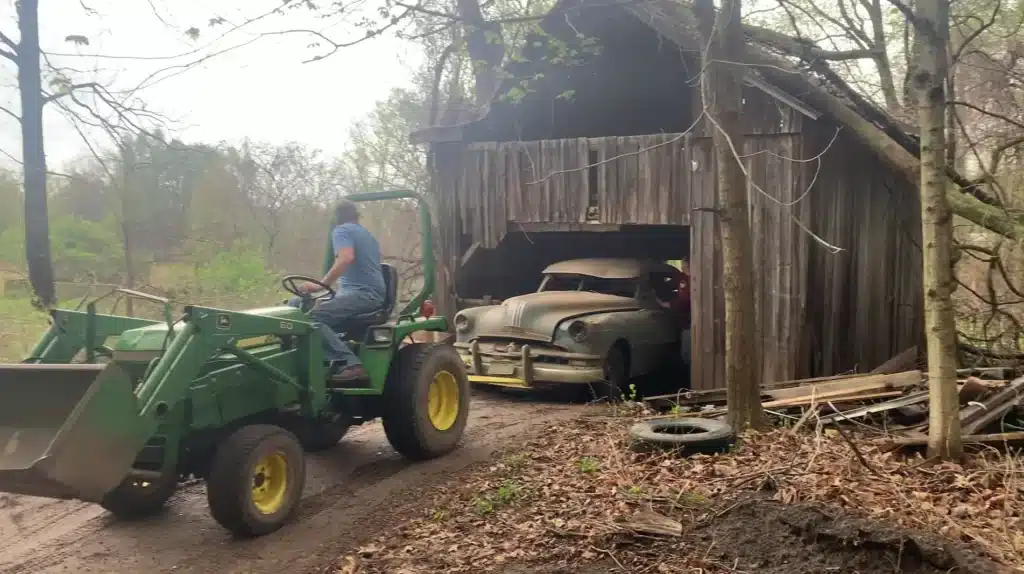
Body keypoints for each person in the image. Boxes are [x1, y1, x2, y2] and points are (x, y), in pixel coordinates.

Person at [294, 199, 386, 381]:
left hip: (363, 294)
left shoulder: (341, 230)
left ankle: (350, 363)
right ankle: (327, 357)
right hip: (367, 293)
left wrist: (320, 285)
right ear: (356, 216)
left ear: (337, 218)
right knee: (295, 304)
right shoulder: (367, 235)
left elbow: (345, 258)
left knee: (311, 318)